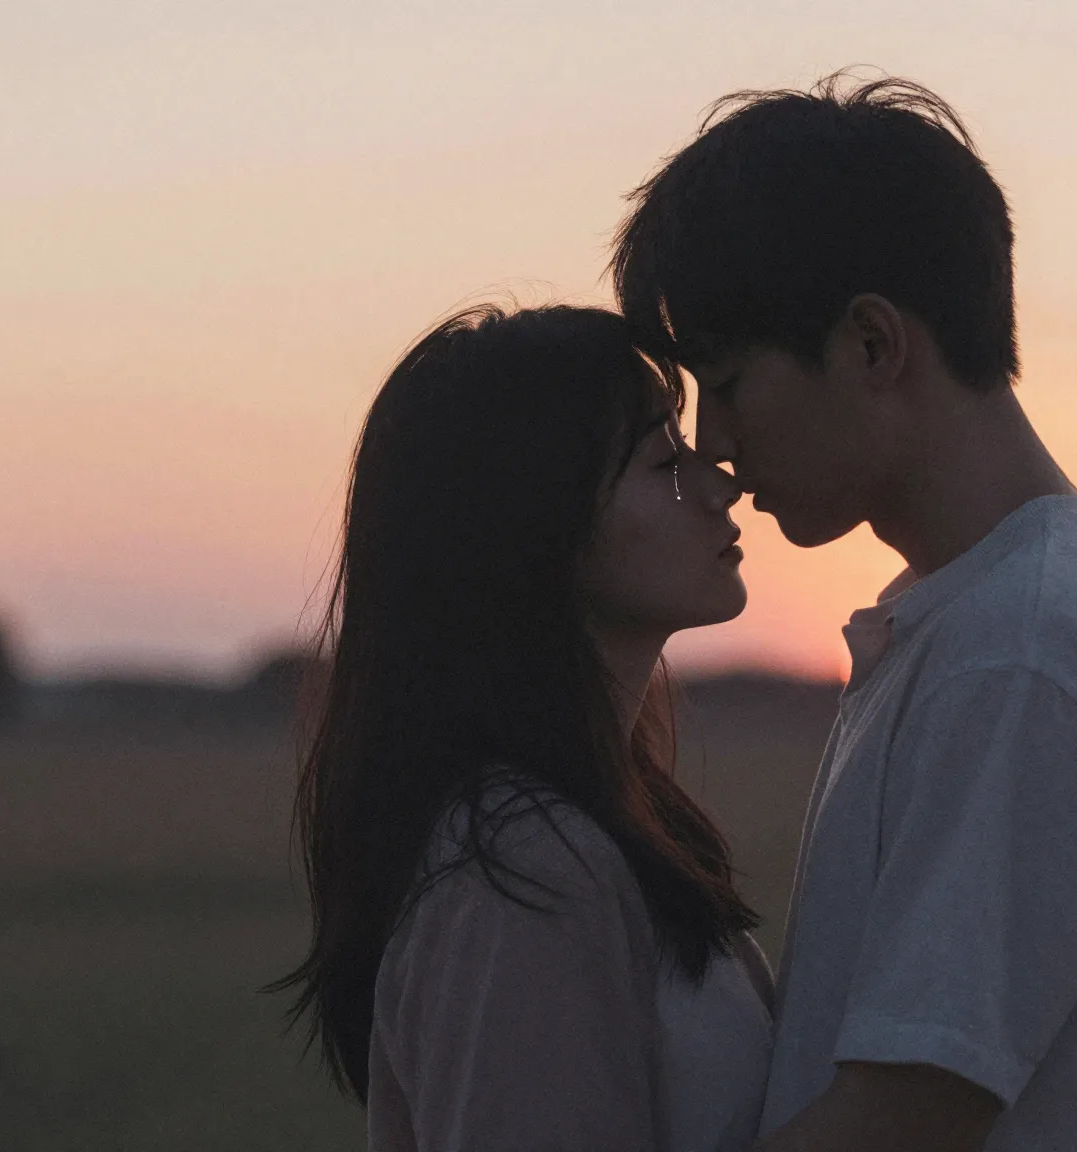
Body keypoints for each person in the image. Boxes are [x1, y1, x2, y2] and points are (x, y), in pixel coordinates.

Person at [611, 73, 1077, 1151]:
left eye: (731, 381)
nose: (713, 444)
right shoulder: (996, 614)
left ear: (870, 345)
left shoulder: (1020, 652)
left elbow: (902, 1118)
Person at [274, 304, 776, 1151]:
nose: (721, 484)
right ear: (540, 527)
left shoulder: (584, 833)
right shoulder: (525, 875)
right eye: (664, 461)